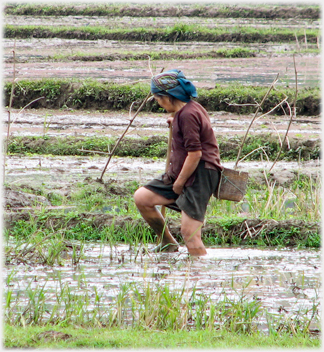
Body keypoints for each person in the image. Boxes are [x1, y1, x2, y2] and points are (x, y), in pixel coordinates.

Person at [134, 69, 223, 256]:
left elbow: (195, 154)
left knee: (190, 234)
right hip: (182, 171)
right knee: (142, 197)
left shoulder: (188, 115)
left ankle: (198, 275)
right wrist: (174, 122)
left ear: (168, 97)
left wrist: (179, 183)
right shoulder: (188, 110)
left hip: (198, 174)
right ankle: (168, 243)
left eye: (158, 99)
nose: (158, 104)